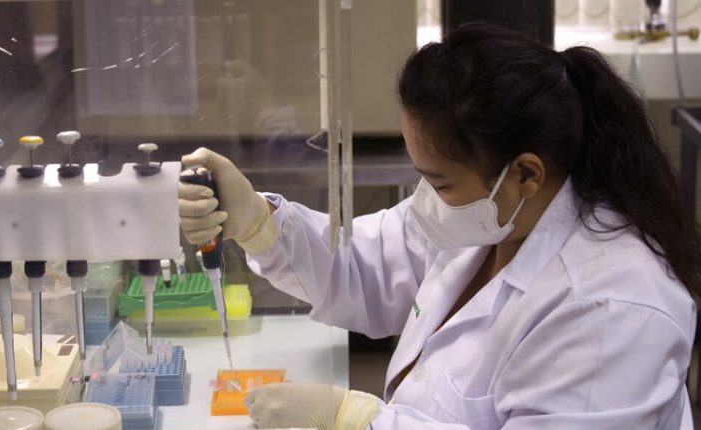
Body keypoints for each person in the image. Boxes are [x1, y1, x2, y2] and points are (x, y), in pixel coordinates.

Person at [177, 22, 700, 429]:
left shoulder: (612, 311)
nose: (426, 198)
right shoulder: (491, 216)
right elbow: (363, 268)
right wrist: (259, 222)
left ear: (525, 173)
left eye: (440, 181)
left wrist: (358, 420)